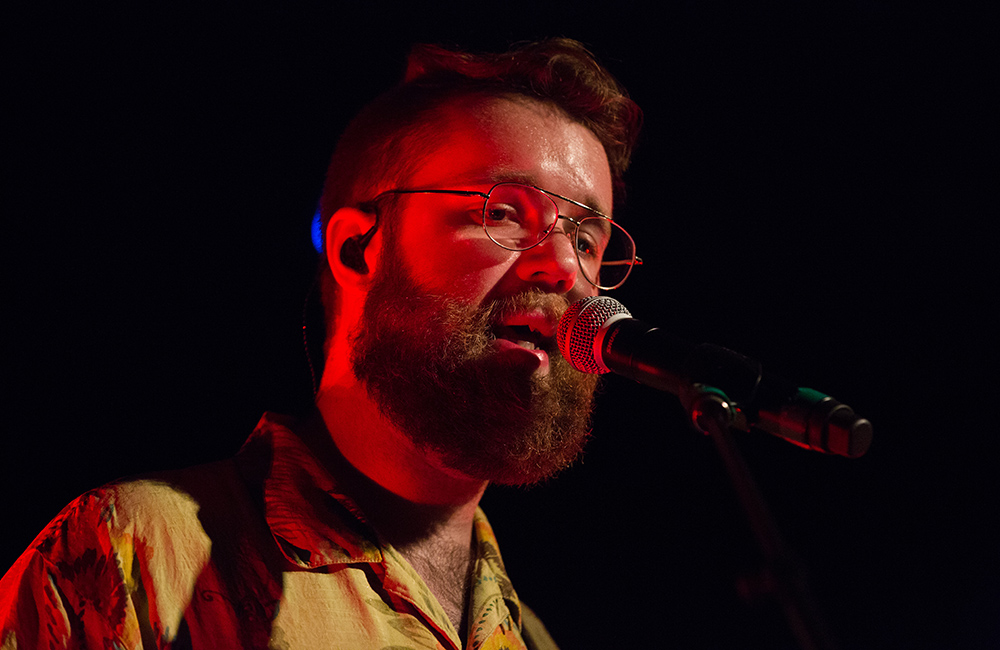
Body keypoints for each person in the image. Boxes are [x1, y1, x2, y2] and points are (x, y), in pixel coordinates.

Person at [0, 38, 642, 649]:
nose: (564, 267)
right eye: (502, 212)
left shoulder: (532, 638)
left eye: (587, 240)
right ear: (358, 249)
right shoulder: (131, 553)